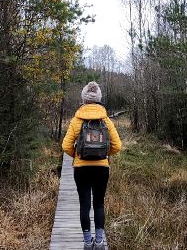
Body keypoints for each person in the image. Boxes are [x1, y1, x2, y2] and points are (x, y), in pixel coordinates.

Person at [62, 81, 122, 249]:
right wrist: (103, 155)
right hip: (102, 168)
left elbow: (66, 146)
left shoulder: (76, 120)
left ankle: (88, 243)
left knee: (84, 205)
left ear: (83, 98)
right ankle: (100, 242)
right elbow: (117, 146)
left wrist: (78, 155)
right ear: (99, 98)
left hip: (81, 168)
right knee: (99, 204)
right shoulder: (106, 121)